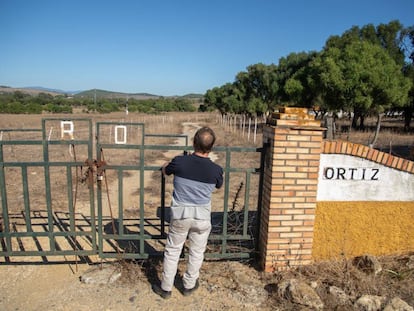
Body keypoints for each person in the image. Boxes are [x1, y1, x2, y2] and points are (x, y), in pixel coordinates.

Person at [152, 126, 223, 299]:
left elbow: (165, 171)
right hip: (202, 216)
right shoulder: (216, 169)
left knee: (173, 250)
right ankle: (189, 285)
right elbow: (219, 185)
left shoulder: (179, 161)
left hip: (180, 214)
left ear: (193, 143)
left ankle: (166, 288)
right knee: (197, 251)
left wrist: (165, 166)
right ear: (211, 147)